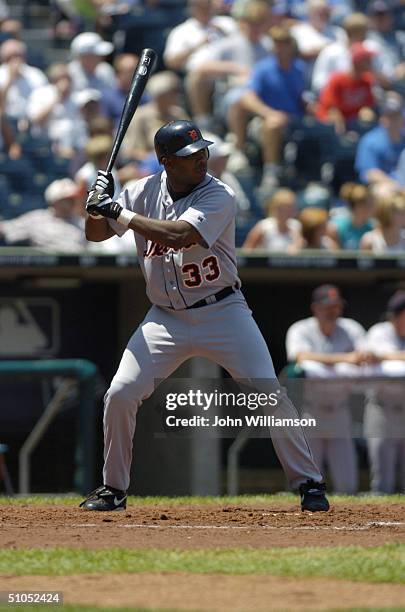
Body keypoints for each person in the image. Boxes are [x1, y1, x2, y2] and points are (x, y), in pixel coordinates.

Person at [80, 119, 329, 512]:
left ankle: (309, 483)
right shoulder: (140, 191)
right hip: (165, 318)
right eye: (188, 156)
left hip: (223, 310)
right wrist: (95, 205)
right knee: (120, 394)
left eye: (202, 152)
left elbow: (179, 235)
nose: (200, 160)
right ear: (165, 161)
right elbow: (95, 234)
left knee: (268, 392)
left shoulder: (220, 195)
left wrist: (118, 212)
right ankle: (113, 489)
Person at [285, 284, 369, 493]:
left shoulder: (351, 328)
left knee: (347, 483)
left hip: (340, 411)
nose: (334, 310)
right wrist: (343, 361)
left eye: (337, 305)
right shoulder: (300, 328)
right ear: (316, 308)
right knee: (309, 479)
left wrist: (327, 364)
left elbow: (363, 357)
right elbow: (300, 358)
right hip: (310, 411)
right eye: (328, 306)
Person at [237, 25, 308, 191]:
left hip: (295, 120)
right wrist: (270, 114)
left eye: (283, 43)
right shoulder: (263, 68)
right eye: (276, 43)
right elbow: (247, 98)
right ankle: (271, 172)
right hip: (266, 120)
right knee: (273, 125)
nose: (279, 48)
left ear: (291, 45)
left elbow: (301, 98)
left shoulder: (298, 68)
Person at [363, 291, 405, 493]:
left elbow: (387, 360)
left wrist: (389, 357)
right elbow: (378, 360)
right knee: (382, 481)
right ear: (395, 315)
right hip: (383, 409)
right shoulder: (379, 332)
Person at [0, 178, 87, 252]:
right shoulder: (37, 219)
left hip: (79, 269)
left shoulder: (82, 223)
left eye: (74, 199)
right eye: (68, 200)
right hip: (44, 269)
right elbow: (6, 229)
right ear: (55, 201)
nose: (72, 202)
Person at [316, 42, 376, 134]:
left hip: (352, 121)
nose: (370, 62)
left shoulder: (367, 81)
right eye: (366, 59)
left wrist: (368, 116)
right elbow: (332, 110)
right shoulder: (338, 79)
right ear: (357, 62)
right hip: (332, 122)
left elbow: (367, 107)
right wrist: (343, 134)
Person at [355, 92, 405, 188]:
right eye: (389, 116)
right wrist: (397, 187)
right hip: (383, 188)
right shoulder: (371, 141)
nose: (392, 120)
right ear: (382, 118)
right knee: (382, 192)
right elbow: (370, 173)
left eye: (396, 116)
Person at [0, 39, 47, 122]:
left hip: (31, 121)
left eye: (18, 55)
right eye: (10, 56)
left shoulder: (35, 74)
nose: (15, 59)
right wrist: (10, 78)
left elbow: (45, 99)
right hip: (6, 122)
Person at [327, 182, 375, 250]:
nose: (370, 208)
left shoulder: (375, 227)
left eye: (371, 205)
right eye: (365, 205)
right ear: (354, 206)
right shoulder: (335, 228)